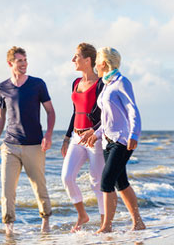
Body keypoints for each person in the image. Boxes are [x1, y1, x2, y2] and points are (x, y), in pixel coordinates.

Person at [0, 46, 55, 235]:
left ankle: (46, 222)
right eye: (20, 61)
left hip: (34, 144)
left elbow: (50, 111)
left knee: (39, 186)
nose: (24, 64)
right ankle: (9, 229)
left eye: (25, 60)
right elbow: (0, 117)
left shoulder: (38, 84)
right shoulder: (2, 88)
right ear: (10, 63)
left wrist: (48, 135)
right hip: (9, 145)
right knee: (7, 189)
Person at [83, 47, 146, 233]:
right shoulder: (107, 85)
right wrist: (96, 134)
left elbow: (133, 110)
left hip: (122, 140)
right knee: (121, 183)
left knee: (106, 181)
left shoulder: (121, 82)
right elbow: (109, 119)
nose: (95, 66)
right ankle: (138, 223)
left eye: (96, 62)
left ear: (103, 63)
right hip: (107, 141)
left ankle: (106, 226)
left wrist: (134, 135)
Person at [60, 43, 105, 232]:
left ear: (88, 60)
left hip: (95, 138)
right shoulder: (75, 83)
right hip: (76, 138)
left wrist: (94, 132)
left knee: (97, 182)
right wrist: (66, 136)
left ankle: (105, 223)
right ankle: (82, 215)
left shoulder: (101, 84)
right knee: (67, 177)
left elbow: (107, 115)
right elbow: (75, 111)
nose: (73, 60)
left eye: (76, 56)